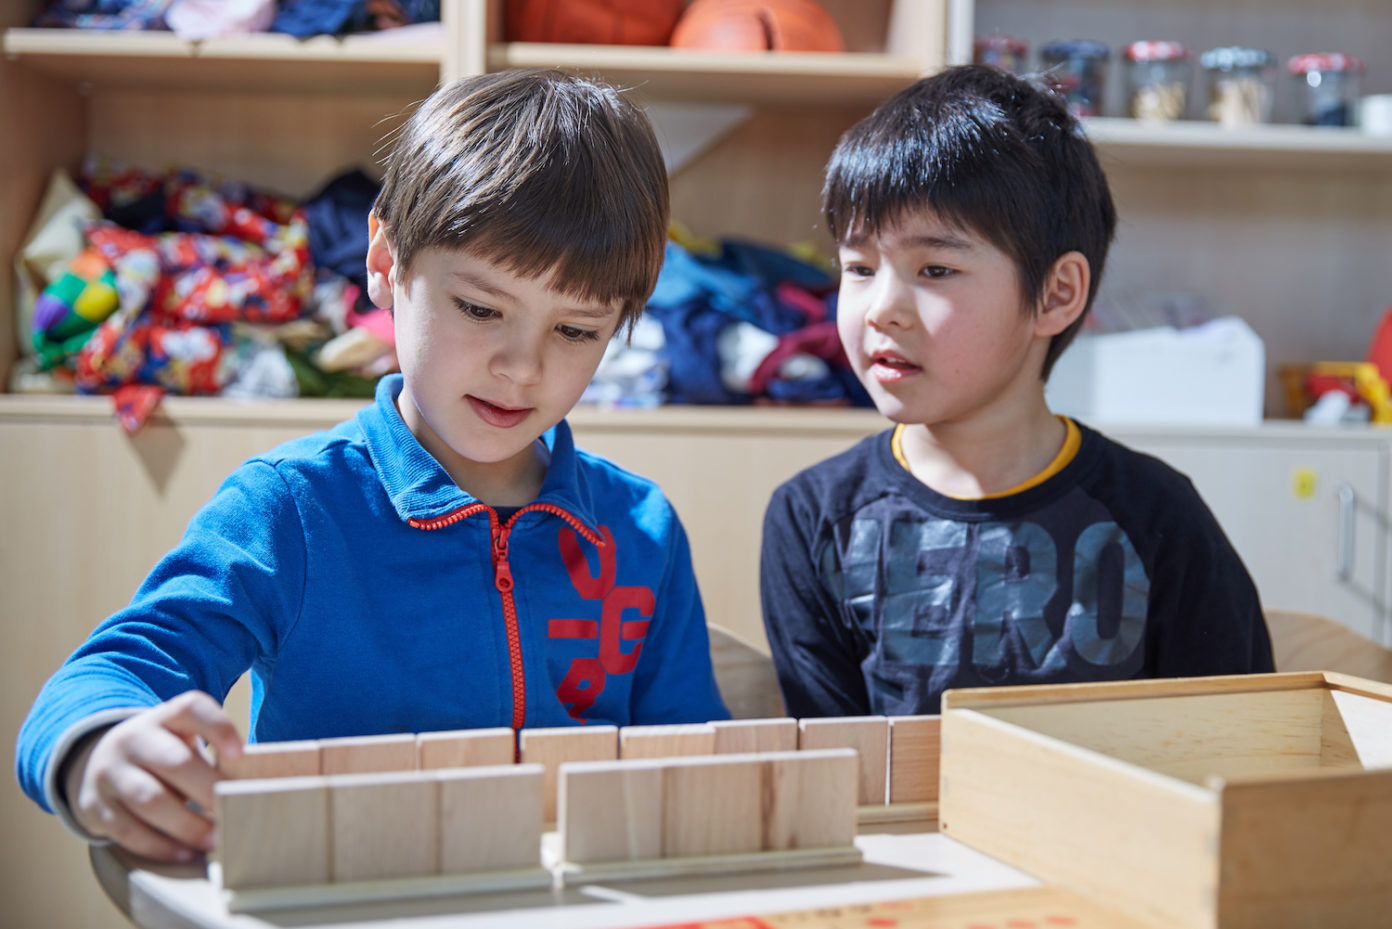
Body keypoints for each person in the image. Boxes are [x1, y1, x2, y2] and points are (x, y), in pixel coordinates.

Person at [17, 68, 728, 863]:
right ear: (386, 263)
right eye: (482, 309)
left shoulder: (641, 530)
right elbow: (112, 670)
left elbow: (697, 768)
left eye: (576, 331)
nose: (521, 368)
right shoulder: (289, 506)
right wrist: (99, 747)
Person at [760, 65, 1273, 718]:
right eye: (858, 268)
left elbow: (1235, 753)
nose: (880, 309)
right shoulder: (813, 519)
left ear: (1056, 295)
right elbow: (840, 776)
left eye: (935, 268)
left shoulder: (1159, 518)